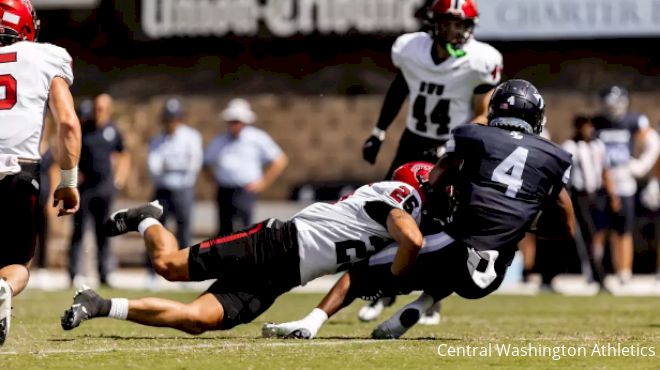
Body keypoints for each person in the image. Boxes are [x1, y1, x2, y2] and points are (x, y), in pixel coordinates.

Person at [262, 79, 575, 340]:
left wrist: (443, 196)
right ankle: (425, 301)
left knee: (360, 273)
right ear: (536, 116)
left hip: (457, 251)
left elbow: (439, 176)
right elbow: (566, 226)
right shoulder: (554, 156)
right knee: (467, 254)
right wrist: (525, 224)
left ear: (495, 109)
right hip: (493, 274)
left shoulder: (472, 134)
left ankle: (310, 323)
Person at [60, 163, 432, 334]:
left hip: (285, 276)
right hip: (274, 243)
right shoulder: (393, 201)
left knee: (198, 320)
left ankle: (99, 305)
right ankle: (147, 218)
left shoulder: (393, 217)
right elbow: (411, 240)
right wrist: (397, 275)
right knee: (168, 265)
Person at [359, 0, 503, 323]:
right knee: (389, 214)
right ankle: (383, 291)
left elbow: (482, 112)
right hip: (412, 141)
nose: (455, 31)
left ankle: (433, 299)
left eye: (461, 24)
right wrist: (379, 131)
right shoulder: (411, 48)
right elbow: (400, 88)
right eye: (449, 23)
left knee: (438, 223)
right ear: (434, 23)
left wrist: (456, 147)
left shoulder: (481, 60)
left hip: (450, 146)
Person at [0, 0, 81, 345]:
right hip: (18, 170)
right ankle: (3, 289)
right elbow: (67, 122)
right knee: (17, 262)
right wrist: (68, 181)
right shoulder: (47, 56)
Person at [592, 86, 660, 288]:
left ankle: (624, 271)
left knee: (624, 230)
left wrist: (640, 166)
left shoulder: (634, 120)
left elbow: (654, 143)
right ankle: (599, 271)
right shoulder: (597, 123)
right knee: (601, 229)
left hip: (624, 179)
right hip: (602, 181)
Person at [68, 93, 130, 286]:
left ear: (108, 110)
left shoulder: (113, 131)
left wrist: (118, 180)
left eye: (102, 109)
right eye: (96, 108)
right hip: (84, 189)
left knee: (103, 233)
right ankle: (73, 274)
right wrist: (72, 175)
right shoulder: (84, 128)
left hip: (104, 189)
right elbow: (71, 151)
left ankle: (104, 274)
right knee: (78, 231)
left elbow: (124, 155)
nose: (98, 112)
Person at [205, 99, 288, 236]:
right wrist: (214, 180)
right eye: (232, 121)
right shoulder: (219, 140)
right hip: (225, 190)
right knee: (224, 231)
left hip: (245, 190)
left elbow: (280, 160)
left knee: (246, 231)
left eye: (237, 121)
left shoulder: (257, 138)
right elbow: (206, 162)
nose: (234, 125)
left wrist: (263, 182)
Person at [561, 116, 618, 288]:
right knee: (588, 235)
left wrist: (612, 194)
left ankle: (597, 271)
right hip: (580, 195)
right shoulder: (570, 146)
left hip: (597, 194)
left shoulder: (597, 145)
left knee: (600, 234)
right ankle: (597, 275)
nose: (588, 130)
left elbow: (605, 170)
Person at [147, 98, 203, 248]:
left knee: (184, 229)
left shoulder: (191, 137)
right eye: (168, 119)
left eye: (174, 118)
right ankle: (154, 267)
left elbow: (193, 164)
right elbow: (154, 167)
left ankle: (184, 263)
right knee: (156, 227)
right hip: (162, 189)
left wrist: (169, 165)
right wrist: (177, 164)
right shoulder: (157, 140)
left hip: (183, 189)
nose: (171, 122)